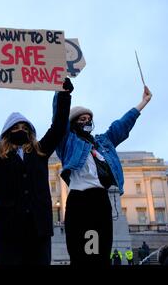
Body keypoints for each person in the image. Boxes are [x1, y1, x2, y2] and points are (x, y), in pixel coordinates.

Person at [0, 73, 73, 265]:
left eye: (24, 127)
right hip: (7, 232)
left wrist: (63, 94)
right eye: (15, 127)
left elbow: (59, 127)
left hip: (38, 230)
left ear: (30, 131)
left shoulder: (40, 152)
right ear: (6, 132)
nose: (20, 130)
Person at [56, 85, 152, 266]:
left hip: (100, 200)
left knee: (101, 253)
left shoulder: (102, 142)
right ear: (74, 123)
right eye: (82, 119)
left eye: (89, 119)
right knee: (81, 254)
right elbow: (58, 120)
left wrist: (142, 103)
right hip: (80, 200)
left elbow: (121, 127)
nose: (86, 122)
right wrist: (62, 93)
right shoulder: (68, 143)